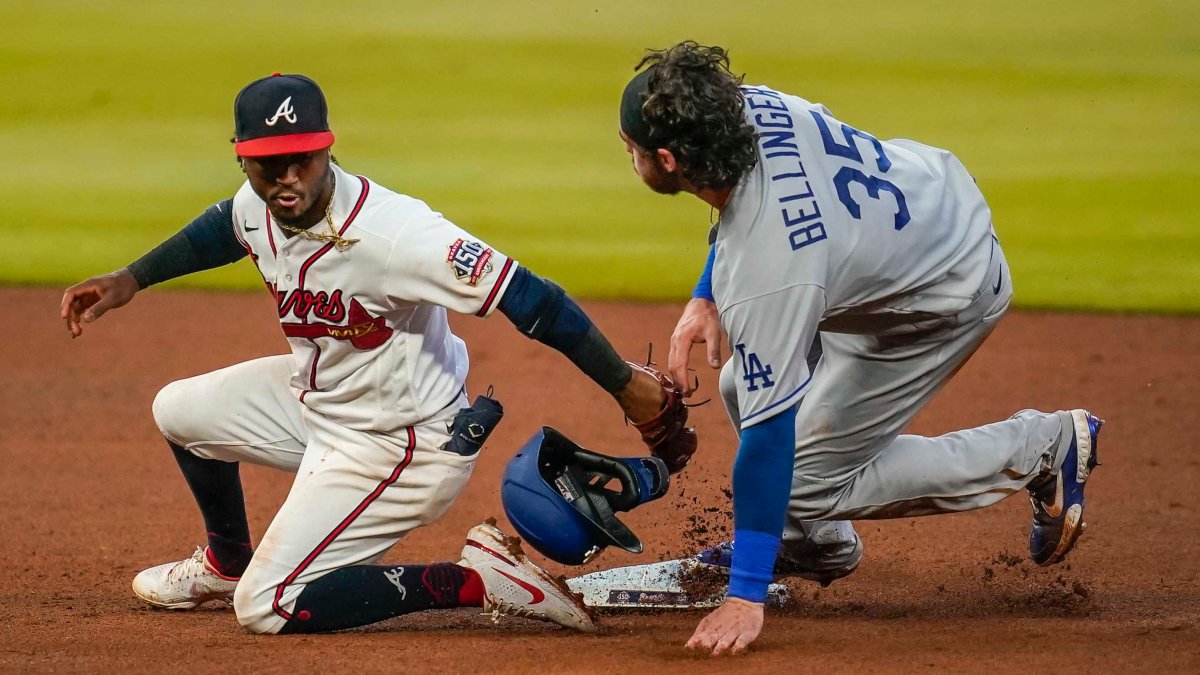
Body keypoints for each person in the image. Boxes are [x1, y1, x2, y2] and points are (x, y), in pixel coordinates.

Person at [60, 72, 697, 635]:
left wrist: (624, 386)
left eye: (302, 160)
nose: (286, 179)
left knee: (267, 606)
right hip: (319, 406)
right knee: (177, 411)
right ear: (242, 159)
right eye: (267, 164)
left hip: (403, 443)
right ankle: (228, 563)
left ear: (328, 146)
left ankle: (477, 579)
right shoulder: (259, 203)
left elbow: (531, 297)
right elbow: (225, 226)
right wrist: (131, 278)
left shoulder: (397, 235)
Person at [617, 42, 1102, 655]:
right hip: (923, 211)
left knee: (799, 482)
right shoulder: (745, 109)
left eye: (630, 148)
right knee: (743, 380)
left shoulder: (771, 270)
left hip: (942, 296)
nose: (626, 153)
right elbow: (744, 202)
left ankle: (1044, 447)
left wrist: (745, 594)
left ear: (667, 160)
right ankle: (816, 543)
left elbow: (768, 439)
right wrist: (706, 293)